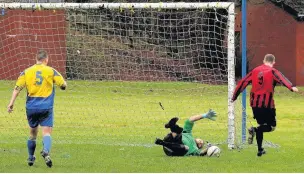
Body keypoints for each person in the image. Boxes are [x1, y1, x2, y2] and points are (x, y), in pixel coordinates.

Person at [7, 50, 67, 167]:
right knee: (47, 132)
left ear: (36, 59)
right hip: (46, 107)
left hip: (31, 107)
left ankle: (30, 157)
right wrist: (61, 84)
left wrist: (11, 103)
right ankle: (46, 151)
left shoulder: (26, 72)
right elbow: (63, 85)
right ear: (46, 60)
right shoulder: (51, 71)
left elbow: (17, 88)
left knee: (32, 133)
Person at [231, 54, 299, 156]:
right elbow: (281, 78)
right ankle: (254, 130)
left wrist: (234, 96)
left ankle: (260, 150)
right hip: (267, 105)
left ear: (263, 60)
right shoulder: (273, 71)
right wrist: (291, 87)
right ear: (273, 62)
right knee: (271, 126)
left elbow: (243, 82)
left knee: (261, 125)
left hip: (254, 104)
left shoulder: (254, 71)